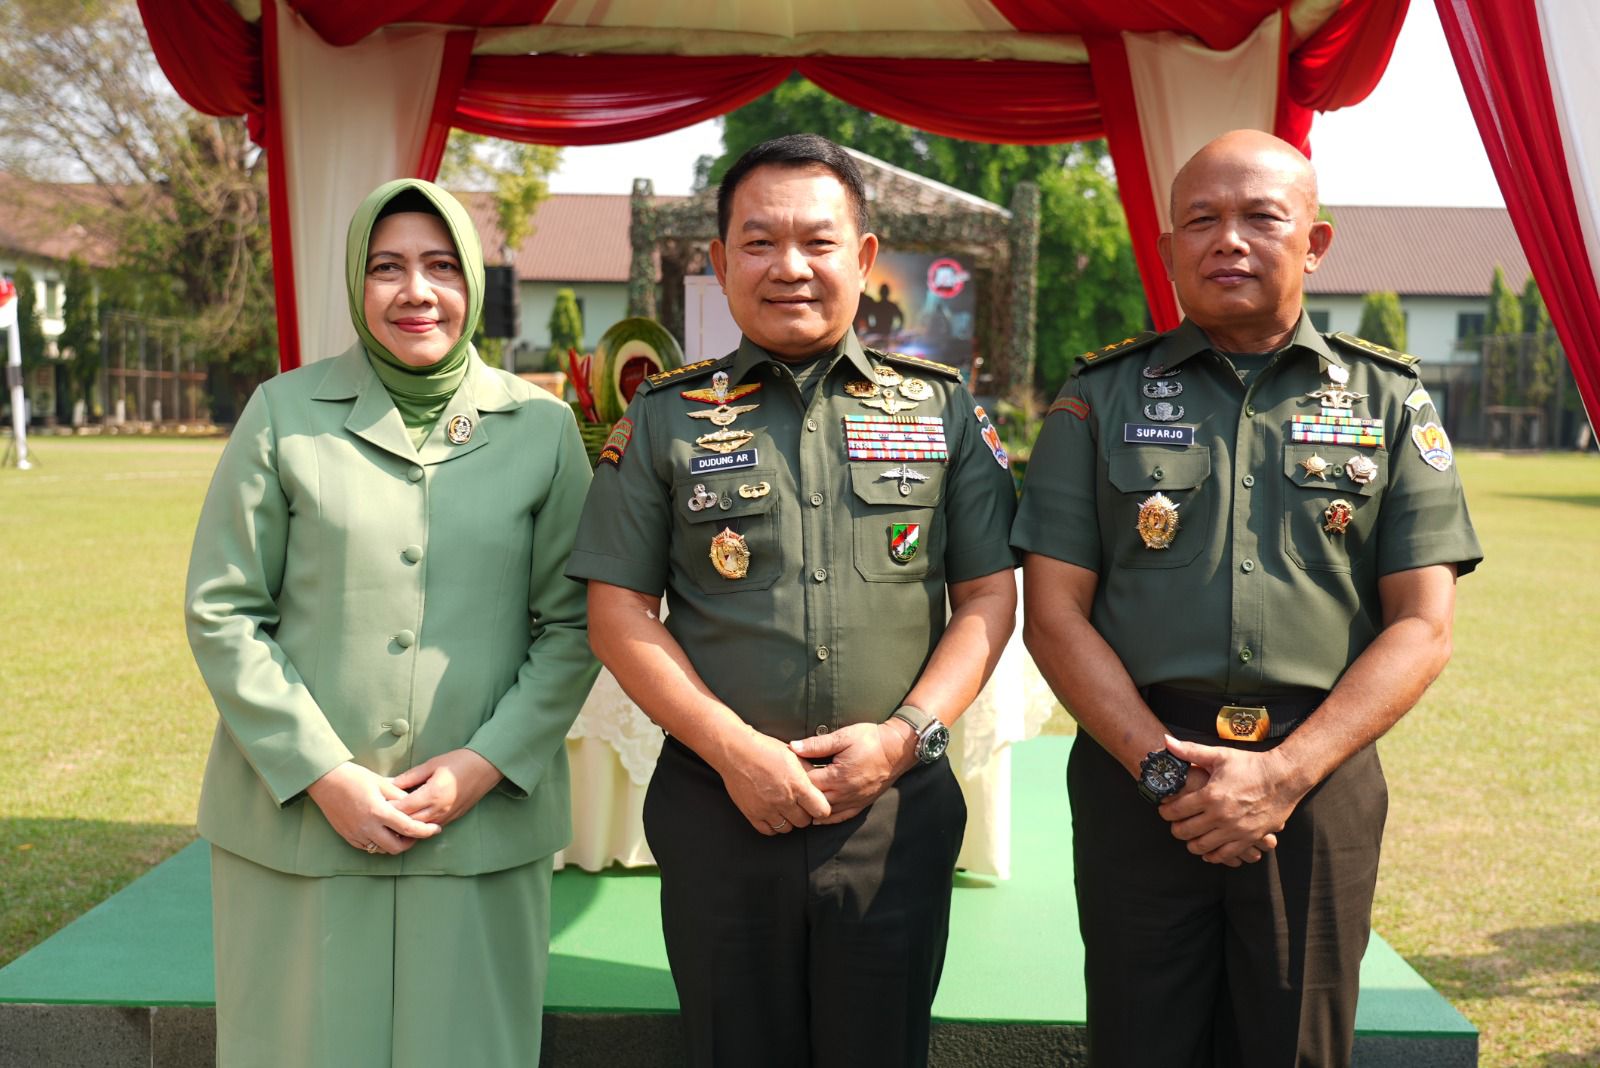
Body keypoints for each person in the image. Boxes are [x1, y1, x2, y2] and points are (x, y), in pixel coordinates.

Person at [1012, 129, 1482, 1066]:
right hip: (1138, 773)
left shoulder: (1389, 401)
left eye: (1261, 217)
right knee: (1141, 1043)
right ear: (1170, 247)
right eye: (1201, 220)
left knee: (1297, 1048)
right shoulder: (1097, 398)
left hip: (1317, 777)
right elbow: (1052, 613)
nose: (1228, 239)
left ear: (1314, 243)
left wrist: (1282, 774)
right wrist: (1161, 770)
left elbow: (1424, 626)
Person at [566, 133, 1018, 1068]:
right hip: (720, 806)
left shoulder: (940, 410)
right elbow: (616, 612)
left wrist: (900, 741)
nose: (790, 268)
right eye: (760, 242)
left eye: (817, 242)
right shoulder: (662, 417)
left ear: (862, 258)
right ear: (721, 262)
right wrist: (736, 752)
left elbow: (986, 599)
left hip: (892, 811)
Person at [185, 178, 599, 1067]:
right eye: (388, 267)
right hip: (297, 826)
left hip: (478, 830)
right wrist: (323, 772)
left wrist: (485, 765)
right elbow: (224, 610)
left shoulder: (542, 427)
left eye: (441, 266)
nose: (416, 291)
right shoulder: (281, 415)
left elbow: (573, 624)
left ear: (475, 283)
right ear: (355, 282)